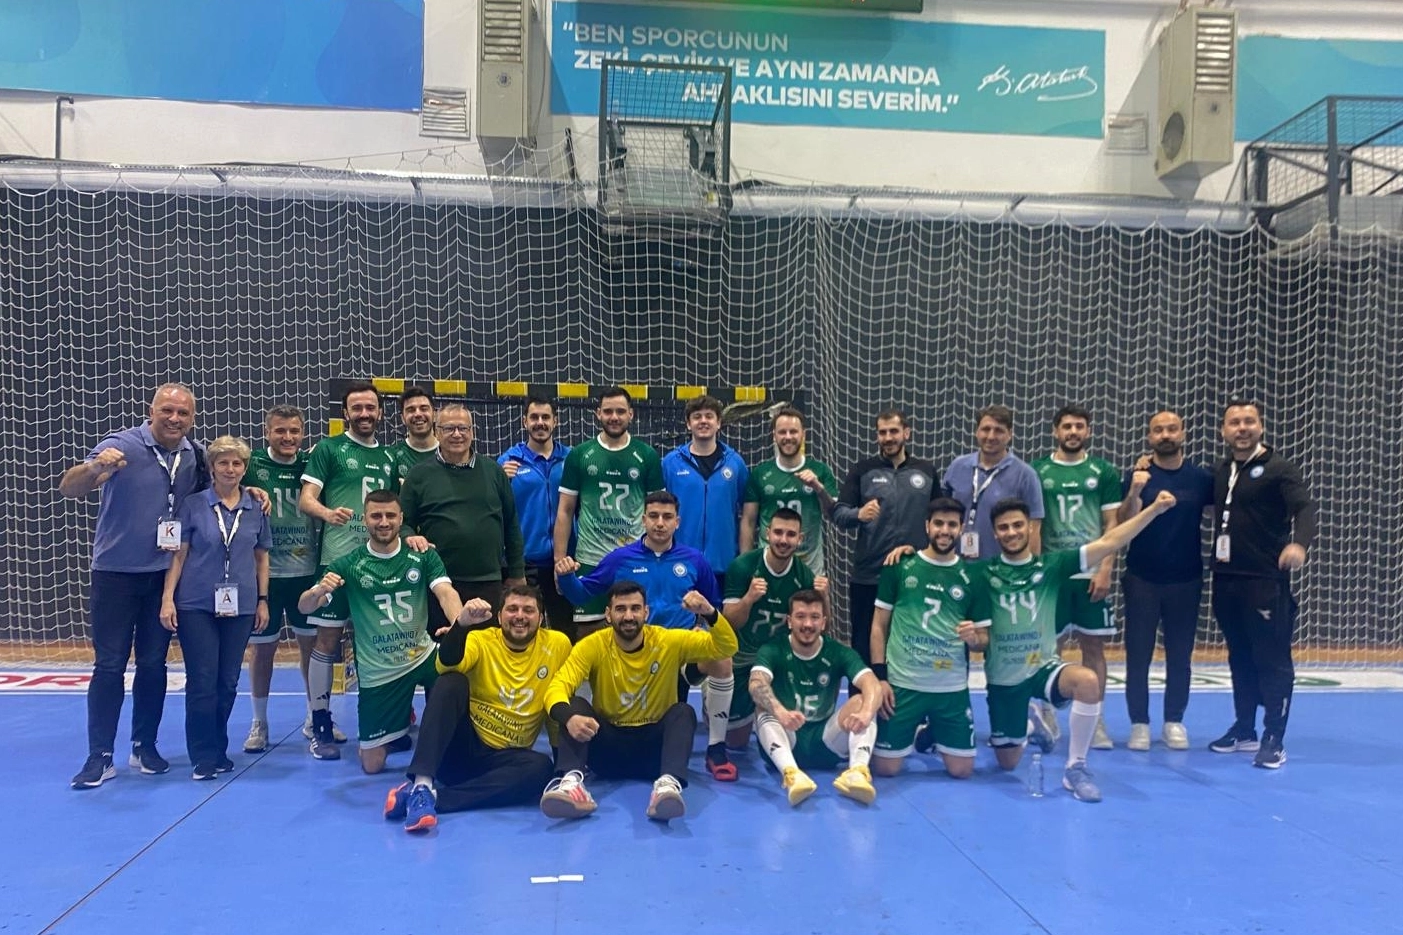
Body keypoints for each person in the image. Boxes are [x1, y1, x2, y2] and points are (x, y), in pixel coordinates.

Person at [967, 492, 1177, 803]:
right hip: (1004, 679)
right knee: (1008, 762)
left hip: (1043, 667)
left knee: (1088, 682)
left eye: (1017, 525)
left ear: (1030, 527)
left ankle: (1076, 767)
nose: (1011, 532)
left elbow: (1110, 541)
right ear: (995, 533)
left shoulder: (1053, 565)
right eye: (1004, 527)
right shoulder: (981, 573)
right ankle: (1030, 723)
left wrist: (1154, 510)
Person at [62, 383, 208, 789]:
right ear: (151, 411)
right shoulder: (121, 444)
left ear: (192, 418)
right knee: (109, 664)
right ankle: (100, 755)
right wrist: (95, 468)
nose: (174, 419)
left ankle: (144, 745)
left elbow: (218, 492)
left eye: (183, 413)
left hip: (163, 577)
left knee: (153, 663)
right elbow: (69, 487)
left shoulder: (195, 455)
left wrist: (252, 492)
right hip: (115, 573)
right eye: (167, 411)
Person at [555, 491, 735, 780]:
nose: (660, 523)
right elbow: (581, 594)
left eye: (667, 517)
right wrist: (566, 577)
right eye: (653, 516)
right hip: (635, 652)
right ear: (643, 519)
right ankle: (583, 764)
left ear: (677, 522)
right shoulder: (620, 559)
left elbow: (714, 607)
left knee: (722, 659)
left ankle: (716, 749)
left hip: (678, 652)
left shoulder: (695, 560)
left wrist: (705, 618)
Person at [297, 490, 478, 775]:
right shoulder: (348, 564)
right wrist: (318, 590)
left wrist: (459, 623)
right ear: (365, 520)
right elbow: (305, 607)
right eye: (376, 516)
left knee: (459, 669)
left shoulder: (421, 555)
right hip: (380, 671)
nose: (384, 522)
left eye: (390, 515)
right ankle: (394, 728)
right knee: (372, 765)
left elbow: (445, 592)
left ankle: (457, 738)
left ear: (401, 519)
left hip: (422, 656)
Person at [539, 583, 738, 822]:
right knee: (575, 705)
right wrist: (570, 718)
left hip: (655, 753)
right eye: (620, 609)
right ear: (608, 614)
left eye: (635, 608)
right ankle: (571, 783)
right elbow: (557, 687)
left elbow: (727, 647)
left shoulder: (668, 640)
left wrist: (710, 613)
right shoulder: (592, 645)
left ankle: (668, 785)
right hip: (607, 752)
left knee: (683, 711)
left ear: (646, 612)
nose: (628, 616)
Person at [382, 585, 571, 832]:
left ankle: (428, 798)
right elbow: (445, 664)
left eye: (528, 610)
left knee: (541, 768)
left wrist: (562, 768)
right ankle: (422, 783)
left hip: (504, 760)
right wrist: (461, 624)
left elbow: (555, 702)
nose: (520, 616)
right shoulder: (480, 639)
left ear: (541, 618)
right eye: (512, 609)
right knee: (451, 681)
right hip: (460, 750)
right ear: (500, 616)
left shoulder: (558, 645)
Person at [1208, 400, 1316, 769]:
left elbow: (1305, 509)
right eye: (1234, 422)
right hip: (1226, 579)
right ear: (1224, 430)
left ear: (1261, 427)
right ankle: (1244, 729)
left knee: (1272, 659)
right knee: (1239, 655)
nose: (1242, 428)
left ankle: (1274, 737)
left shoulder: (1279, 469)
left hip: (1265, 580)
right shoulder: (1221, 469)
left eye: (1249, 421)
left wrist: (1299, 544)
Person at [158, 436, 271, 779]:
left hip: (242, 605)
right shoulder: (193, 505)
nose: (230, 469)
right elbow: (178, 555)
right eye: (223, 462)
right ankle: (203, 754)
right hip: (196, 604)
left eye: (237, 463)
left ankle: (219, 747)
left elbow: (262, 558)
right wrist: (167, 598)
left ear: (245, 468)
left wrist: (263, 601)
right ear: (211, 467)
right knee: (203, 680)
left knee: (228, 681)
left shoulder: (256, 506)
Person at [298, 381, 398, 759]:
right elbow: (306, 499)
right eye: (357, 408)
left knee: (379, 642)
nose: (364, 413)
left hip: (378, 561)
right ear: (346, 413)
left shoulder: (389, 457)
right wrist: (328, 513)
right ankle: (320, 723)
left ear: (380, 412)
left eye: (370, 407)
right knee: (327, 640)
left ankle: (385, 721)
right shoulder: (329, 448)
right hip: (337, 562)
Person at [870, 498, 988, 780]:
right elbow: (878, 626)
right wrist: (881, 678)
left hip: (950, 687)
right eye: (938, 523)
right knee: (885, 770)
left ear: (961, 528)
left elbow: (984, 640)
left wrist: (974, 639)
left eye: (952, 525)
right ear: (927, 526)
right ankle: (918, 728)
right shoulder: (899, 565)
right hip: (903, 684)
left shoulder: (973, 576)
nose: (944, 531)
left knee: (962, 771)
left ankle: (932, 731)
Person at [1117, 410, 1214, 751]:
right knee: (1138, 655)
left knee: (1180, 655)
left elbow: (1223, 512)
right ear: (1150, 437)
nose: (1165, 435)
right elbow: (1122, 522)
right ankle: (1139, 723)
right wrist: (1135, 491)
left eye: (1172, 429)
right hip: (1142, 578)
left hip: (1186, 580)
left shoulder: (1201, 479)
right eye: (1158, 430)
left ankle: (1174, 721)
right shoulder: (1138, 476)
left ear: (1183, 434)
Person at [1032, 405, 1124, 751]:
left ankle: (1094, 717)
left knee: (1093, 647)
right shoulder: (1038, 470)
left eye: (1079, 426)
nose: (1073, 432)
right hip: (1054, 571)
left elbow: (1112, 525)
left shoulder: (1103, 471)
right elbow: (1035, 525)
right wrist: (1038, 571)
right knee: (1048, 647)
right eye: (1067, 426)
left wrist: (1105, 568)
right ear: (1055, 431)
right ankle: (1046, 712)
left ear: (1088, 431)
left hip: (1090, 570)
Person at [750, 589, 883, 806]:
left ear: (823, 622)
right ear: (789, 621)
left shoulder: (838, 652)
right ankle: (792, 774)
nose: (808, 624)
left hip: (826, 741)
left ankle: (857, 772)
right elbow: (756, 683)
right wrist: (781, 712)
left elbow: (872, 684)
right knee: (763, 705)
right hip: (787, 738)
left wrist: (867, 713)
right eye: (800, 616)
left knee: (862, 701)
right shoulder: (773, 649)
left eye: (814, 617)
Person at [400, 402, 525, 629]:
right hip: (440, 582)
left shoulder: (494, 471)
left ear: (472, 432)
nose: (457, 434)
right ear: (437, 432)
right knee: (446, 645)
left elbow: (511, 524)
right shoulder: (418, 475)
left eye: (463, 428)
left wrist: (517, 573)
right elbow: (402, 522)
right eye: (449, 429)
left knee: (487, 647)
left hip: (488, 580)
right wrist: (409, 536)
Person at [832, 409, 941, 665]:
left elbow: (939, 518)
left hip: (914, 576)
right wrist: (859, 514)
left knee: (911, 646)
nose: (888, 437)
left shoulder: (926, 471)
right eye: (882, 432)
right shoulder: (862, 470)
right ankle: (864, 691)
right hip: (869, 575)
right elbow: (838, 514)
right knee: (864, 649)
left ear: (906, 433)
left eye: (893, 431)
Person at [554, 386, 664, 634]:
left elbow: (657, 513)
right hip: (590, 560)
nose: (614, 417)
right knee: (589, 634)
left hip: (634, 559)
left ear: (631, 414)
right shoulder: (580, 455)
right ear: (598, 414)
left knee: (636, 629)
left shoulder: (647, 456)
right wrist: (559, 561)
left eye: (620, 411)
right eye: (608, 411)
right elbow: (565, 511)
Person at [243, 405, 320, 754]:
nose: (287, 437)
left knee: (312, 649)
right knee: (262, 651)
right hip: (266, 576)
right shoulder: (251, 464)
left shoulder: (312, 463)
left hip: (306, 572)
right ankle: (259, 722)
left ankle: (315, 716)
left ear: (302, 433)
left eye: (294, 431)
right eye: (280, 431)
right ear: (267, 432)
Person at [721, 508, 823, 750]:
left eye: (791, 534)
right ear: (767, 533)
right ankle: (718, 701)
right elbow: (729, 623)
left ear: (800, 539)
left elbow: (811, 630)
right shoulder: (743, 566)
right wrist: (748, 599)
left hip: (776, 660)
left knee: (794, 735)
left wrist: (824, 596)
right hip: (740, 658)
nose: (783, 540)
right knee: (736, 743)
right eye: (778, 532)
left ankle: (765, 710)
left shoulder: (804, 577)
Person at [499, 396, 575, 638]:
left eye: (545, 417)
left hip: (564, 561)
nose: (540, 422)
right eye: (534, 417)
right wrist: (500, 479)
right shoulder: (508, 461)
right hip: (526, 563)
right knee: (526, 632)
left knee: (565, 632)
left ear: (555, 421)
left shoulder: (572, 459)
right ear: (525, 421)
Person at [662, 395, 749, 590]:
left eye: (709, 416)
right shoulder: (670, 463)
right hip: (679, 564)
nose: (703, 421)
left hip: (724, 564)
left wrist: (743, 559)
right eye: (697, 416)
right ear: (688, 424)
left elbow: (748, 513)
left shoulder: (736, 464)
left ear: (718, 423)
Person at [741, 405, 839, 576]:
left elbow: (833, 514)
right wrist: (745, 566)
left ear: (803, 434)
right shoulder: (760, 473)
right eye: (782, 432)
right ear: (774, 436)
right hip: (769, 569)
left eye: (793, 432)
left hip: (809, 568)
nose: (788, 437)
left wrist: (819, 488)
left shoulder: (820, 470)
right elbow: (748, 522)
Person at [388, 385, 439, 485]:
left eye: (424, 409)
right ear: (402, 418)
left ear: (435, 415)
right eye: (411, 410)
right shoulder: (392, 457)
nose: (418, 414)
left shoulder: (449, 454)